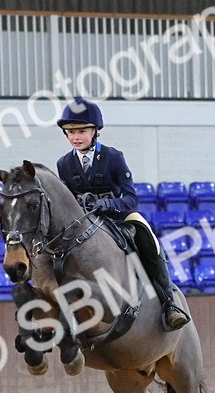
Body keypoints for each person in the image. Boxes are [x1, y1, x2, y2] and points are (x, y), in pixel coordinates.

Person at [55, 97, 189, 331]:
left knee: (149, 239)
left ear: (95, 131)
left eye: (81, 131)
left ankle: (169, 303)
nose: (75, 137)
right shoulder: (64, 164)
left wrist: (108, 203)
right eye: (70, 132)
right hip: (85, 224)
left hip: (118, 217)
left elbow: (131, 199)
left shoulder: (113, 157)